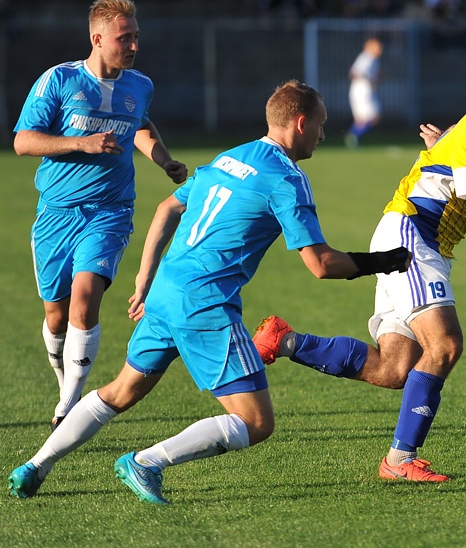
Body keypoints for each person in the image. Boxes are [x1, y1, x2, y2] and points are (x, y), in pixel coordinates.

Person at [8, 80, 411, 504]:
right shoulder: (287, 179)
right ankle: (146, 463)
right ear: (301, 122)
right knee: (256, 423)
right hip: (205, 304)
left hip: (166, 290)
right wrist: (384, 261)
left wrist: (145, 279)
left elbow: (167, 208)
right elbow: (321, 265)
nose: (323, 135)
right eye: (321, 126)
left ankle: (36, 464)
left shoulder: (229, 157)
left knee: (121, 390)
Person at [253, 40, 466, 482]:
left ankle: (285, 341)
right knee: (445, 346)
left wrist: (440, 149)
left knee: (395, 368)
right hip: (414, 237)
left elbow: (456, 156)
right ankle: (399, 460)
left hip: (416, 237)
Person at [12, 0, 187, 433]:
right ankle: (64, 382)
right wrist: (81, 143)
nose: (132, 45)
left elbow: (141, 125)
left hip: (110, 210)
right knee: (56, 314)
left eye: (136, 37)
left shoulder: (139, 84)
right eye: (123, 37)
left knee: (85, 299)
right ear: (98, 38)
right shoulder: (59, 80)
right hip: (56, 212)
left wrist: (164, 160)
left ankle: (68, 407)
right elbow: (23, 141)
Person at [344, 37, 383, 149]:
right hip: (362, 92)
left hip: (364, 92)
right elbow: (353, 73)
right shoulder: (367, 58)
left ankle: (354, 139)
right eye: (378, 47)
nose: (380, 50)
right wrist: (368, 79)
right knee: (375, 117)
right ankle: (353, 136)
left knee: (361, 119)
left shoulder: (374, 60)